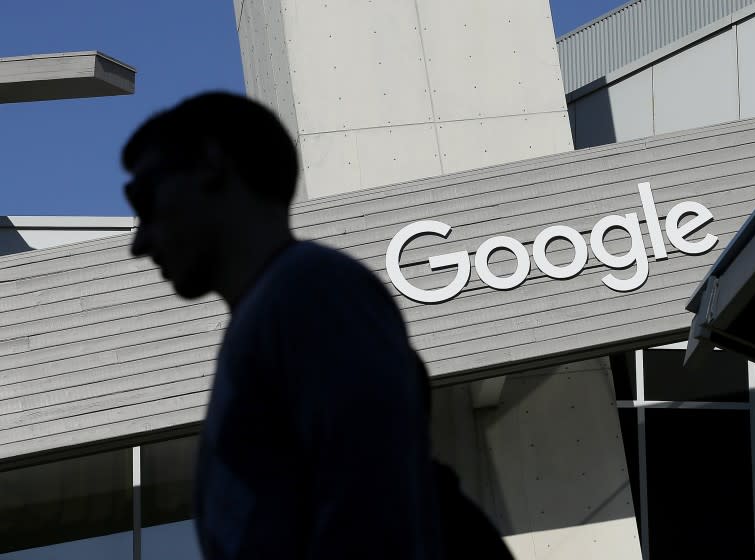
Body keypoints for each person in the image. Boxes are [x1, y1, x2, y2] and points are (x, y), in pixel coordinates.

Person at [122, 92, 513, 560]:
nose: (139, 243)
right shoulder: (290, 303)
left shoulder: (310, 290)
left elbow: (369, 510)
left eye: (144, 199)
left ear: (211, 163)